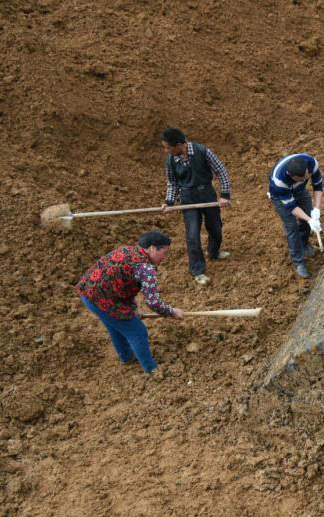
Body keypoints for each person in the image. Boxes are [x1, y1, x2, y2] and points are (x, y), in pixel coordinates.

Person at [75, 231, 185, 374]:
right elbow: (153, 302)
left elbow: (123, 284)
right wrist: (171, 312)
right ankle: (151, 370)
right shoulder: (145, 268)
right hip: (103, 299)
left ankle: (126, 357)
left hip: (87, 292)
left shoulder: (126, 250)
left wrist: (132, 307)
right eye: (163, 252)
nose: (164, 257)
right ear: (152, 248)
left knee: (116, 326)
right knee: (137, 331)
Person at [160, 128, 232, 285]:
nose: (167, 151)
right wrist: (169, 202)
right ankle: (197, 270)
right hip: (188, 198)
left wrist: (225, 195)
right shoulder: (171, 160)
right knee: (192, 235)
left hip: (206, 193)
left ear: (179, 145)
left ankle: (213, 252)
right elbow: (172, 183)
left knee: (215, 227)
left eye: (168, 147)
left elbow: (221, 171)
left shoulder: (202, 151)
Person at [267, 153, 324, 278]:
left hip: (299, 190)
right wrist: (309, 220)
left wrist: (316, 209)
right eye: (301, 179)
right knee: (291, 226)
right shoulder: (279, 181)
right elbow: (291, 207)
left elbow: (318, 185)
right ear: (291, 176)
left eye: (306, 177)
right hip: (280, 197)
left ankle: (303, 244)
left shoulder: (311, 164)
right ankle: (298, 262)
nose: (305, 180)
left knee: (308, 215)